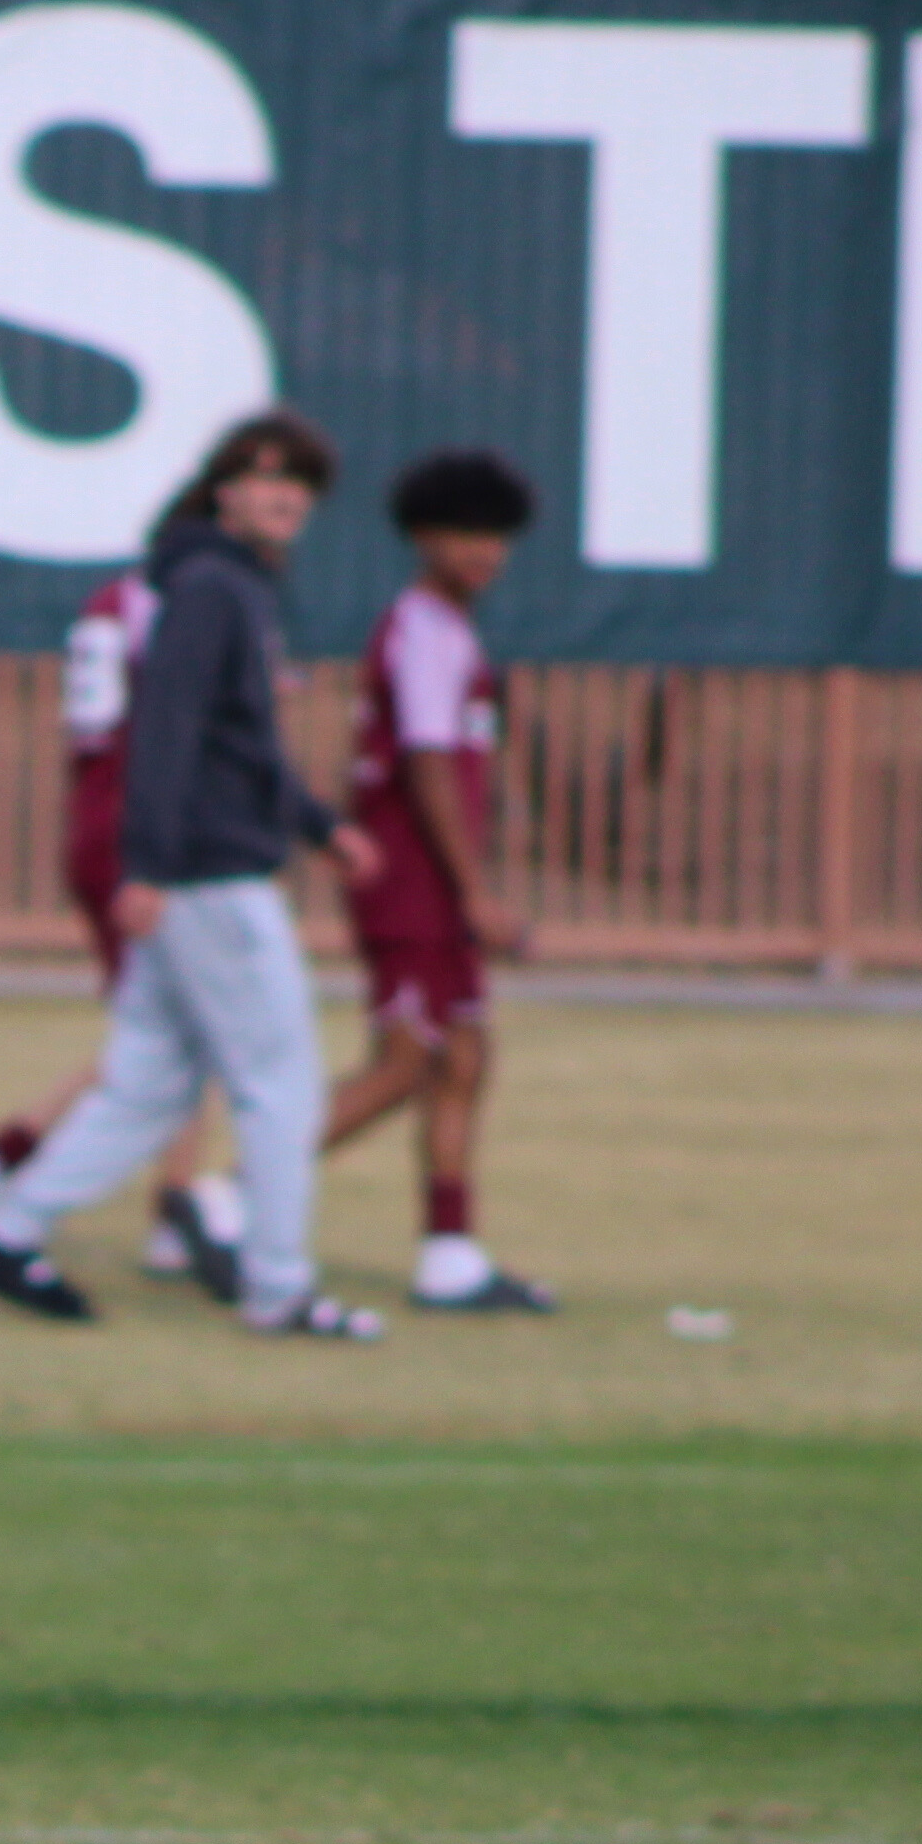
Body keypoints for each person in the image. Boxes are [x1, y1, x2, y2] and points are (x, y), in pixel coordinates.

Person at [0, 411, 392, 1340]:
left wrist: (317, 825)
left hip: (199, 865)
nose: (285, 497)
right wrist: (144, 864)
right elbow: (168, 734)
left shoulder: (229, 586)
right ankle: (278, 1288)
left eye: (300, 484)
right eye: (264, 477)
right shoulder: (211, 588)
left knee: (148, 1084)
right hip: (206, 875)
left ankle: (4, 1230)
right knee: (283, 1083)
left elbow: (242, 743)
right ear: (221, 488)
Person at [0, 559, 233, 1290]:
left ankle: (6, 1161)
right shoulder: (201, 602)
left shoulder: (114, 600)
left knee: (171, 1030)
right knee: (181, 1030)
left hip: (104, 822)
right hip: (148, 836)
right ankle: (162, 1213)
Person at [316, 449, 552, 1311]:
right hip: (408, 877)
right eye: (465, 533)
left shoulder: (452, 629)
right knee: (407, 1062)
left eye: (496, 535)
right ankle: (228, 1202)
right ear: (423, 538)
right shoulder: (420, 628)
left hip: (430, 881)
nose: (484, 551)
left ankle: (449, 1251)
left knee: (464, 1056)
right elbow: (425, 762)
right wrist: (474, 890)